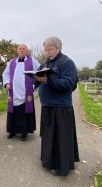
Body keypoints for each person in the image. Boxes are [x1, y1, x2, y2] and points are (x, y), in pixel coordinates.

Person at [34, 36, 79, 176]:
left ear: (58, 47)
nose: (47, 52)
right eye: (45, 50)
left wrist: (48, 80)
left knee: (61, 138)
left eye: (50, 49)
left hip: (61, 107)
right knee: (49, 136)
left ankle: (61, 166)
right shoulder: (45, 64)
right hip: (47, 105)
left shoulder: (67, 63)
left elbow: (68, 84)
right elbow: (39, 81)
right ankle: (49, 160)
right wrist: (35, 80)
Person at [2, 44, 40, 141]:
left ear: (27, 51)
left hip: (26, 92)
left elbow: (39, 73)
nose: (22, 51)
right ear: (17, 51)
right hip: (13, 92)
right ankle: (12, 131)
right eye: (20, 49)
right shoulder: (11, 62)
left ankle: (24, 132)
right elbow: (5, 74)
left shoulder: (33, 61)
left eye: (24, 49)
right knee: (13, 112)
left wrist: (34, 85)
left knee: (24, 113)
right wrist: (6, 83)